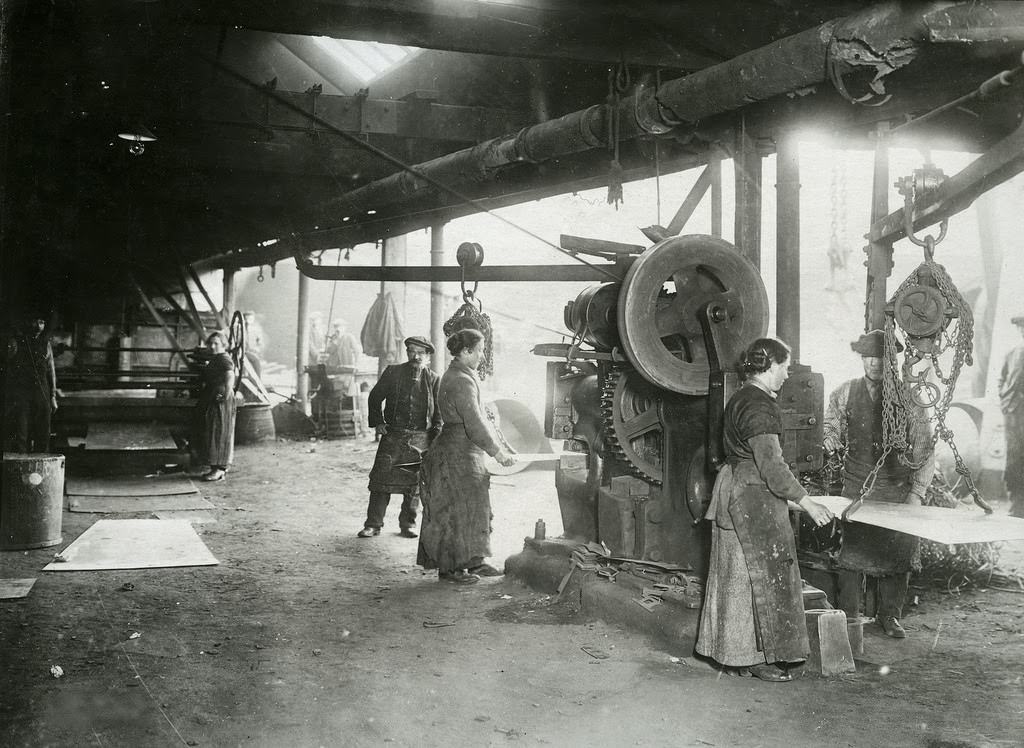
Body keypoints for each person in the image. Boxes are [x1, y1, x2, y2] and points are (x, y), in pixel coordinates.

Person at [696, 337, 833, 681]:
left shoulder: (741, 396)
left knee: (734, 575)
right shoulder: (759, 407)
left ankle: (729, 654)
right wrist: (807, 501)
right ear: (770, 366)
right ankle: (751, 659)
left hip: (735, 491)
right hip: (751, 499)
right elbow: (772, 467)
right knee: (755, 576)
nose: (787, 374)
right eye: (784, 367)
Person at [822, 329, 935, 639]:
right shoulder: (845, 392)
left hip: (896, 490)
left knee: (898, 555)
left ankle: (890, 616)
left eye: (881, 358)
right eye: (868, 357)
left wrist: (916, 494)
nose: (874, 363)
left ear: (892, 361)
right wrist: (828, 442)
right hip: (857, 488)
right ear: (862, 359)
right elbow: (830, 427)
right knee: (851, 556)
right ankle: (848, 618)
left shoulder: (910, 399)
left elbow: (925, 449)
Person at [417, 329, 517, 584]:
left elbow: (478, 414)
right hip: (456, 453)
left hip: (465, 450)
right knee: (456, 511)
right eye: (480, 350)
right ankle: (451, 569)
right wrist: (497, 453)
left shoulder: (463, 375)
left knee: (475, 506)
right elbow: (473, 423)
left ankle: (474, 561)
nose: (482, 356)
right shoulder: (459, 379)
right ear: (465, 352)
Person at [358, 336, 442, 539]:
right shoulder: (393, 372)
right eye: (412, 351)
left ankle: (408, 525)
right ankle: (373, 524)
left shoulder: (434, 379)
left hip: (421, 438)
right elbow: (375, 397)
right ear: (407, 353)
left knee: (413, 485)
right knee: (381, 481)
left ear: (428, 356)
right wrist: (378, 422)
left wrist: (436, 437)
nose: (416, 356)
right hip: (393, 436)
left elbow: (439, 412)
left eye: (421, 353)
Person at [4, 311, 58, 452]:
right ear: (28, 323)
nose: (39, 326)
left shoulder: (46, 344)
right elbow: (7, 370)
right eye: (36, 322)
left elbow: (51, 372)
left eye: (42, 322)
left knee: (43, 433)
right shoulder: (15, 342)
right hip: (22, 393)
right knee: (21, 433)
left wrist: (53, 397)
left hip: (42, 391)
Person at [195, 331, 237, 482]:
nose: (212, 346)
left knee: (220, 431)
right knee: (213, 430)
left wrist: (225, 395)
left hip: (221, 395)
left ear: (224, 345)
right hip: (214, 394)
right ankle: (216, 467)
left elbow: (230, 376)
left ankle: (219, 469)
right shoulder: (216, 358)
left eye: (216, 344)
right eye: (210, 343)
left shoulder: (224, 359)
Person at [998, 315, 1024, 519]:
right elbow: (1002, 380)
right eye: (1021, 329)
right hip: (1013, 415)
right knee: (1014, 459)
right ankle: (1016, 506)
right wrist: (1005, 403)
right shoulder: (1012, 354)